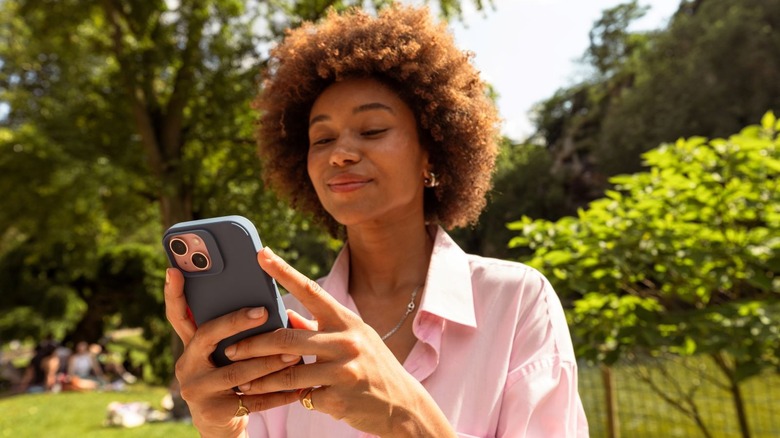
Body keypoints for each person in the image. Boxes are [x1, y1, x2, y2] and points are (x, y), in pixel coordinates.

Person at [164, 4, 589, 437]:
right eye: (322, 138)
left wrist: (407, 419)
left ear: (431, 155)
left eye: (372, 130)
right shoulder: (285, 328)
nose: (340, 153)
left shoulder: (516, 302)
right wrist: (222, 431)